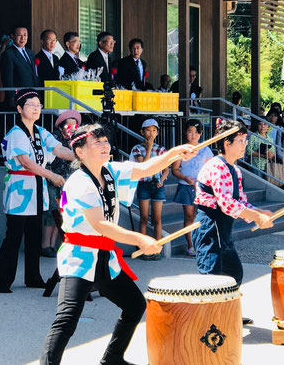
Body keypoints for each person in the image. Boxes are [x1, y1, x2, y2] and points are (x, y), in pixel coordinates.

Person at [40, 123, 196, 365]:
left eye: (105, 141)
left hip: (105, 255)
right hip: (80, 256)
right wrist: (139, 239)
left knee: (134, 305)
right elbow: (100, 225)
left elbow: (145, 168)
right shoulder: (80, 182)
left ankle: (112, 358)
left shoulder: (110, 171)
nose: (105, 146)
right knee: (67, 319)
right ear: (80, 151)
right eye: (97, 143)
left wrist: (175, 153)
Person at [192, 118, 273, 325]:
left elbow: (240, 202)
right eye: (241, 141)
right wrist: (257, 217)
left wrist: (260, 212)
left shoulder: (234, 169)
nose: (245, 145)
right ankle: (208, 325)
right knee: (211, 278)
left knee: (234, 273)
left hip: (222, 229)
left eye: (246, 141)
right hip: (209, 227)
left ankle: (228, 316)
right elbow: (227, 204)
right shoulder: (217, 166)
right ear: (226, 143)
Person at [0, 89, 74, 293]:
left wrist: (81, 156)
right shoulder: (16, 133)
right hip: (19, 187)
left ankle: (33, 276)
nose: (37, 108)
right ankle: (2, 281)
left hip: (37, 187)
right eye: (31, 105)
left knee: (34, 234)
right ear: (20, 108)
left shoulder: (41, 131)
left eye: (39, 105)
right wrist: (51, 175)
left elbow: (58, 149)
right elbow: (26, 162)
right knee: (14, 235)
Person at [42, 110, 82, 258]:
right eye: (68, 125)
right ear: (61, 126)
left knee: (61, 213)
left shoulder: (75, 140)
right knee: (51, 212)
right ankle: (46, 245)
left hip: (67, 181)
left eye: (75, 125)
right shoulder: (54, 138)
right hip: (52, 179)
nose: (72, 128)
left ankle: (53, 245)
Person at [172, 119, 213, 256]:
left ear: (201, 133)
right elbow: (175, 169)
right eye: (190, 131)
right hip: (186, 186)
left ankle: (202, 244)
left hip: (202, 187)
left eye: (196, 132)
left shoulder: (206, 149)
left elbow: (211, 168)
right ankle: (191, 246)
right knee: (189, 216)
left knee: (202, 216)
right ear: (186, 133)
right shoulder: (181, 150)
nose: (193, 135)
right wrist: (184, 178)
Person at [129, 119, 167, 260]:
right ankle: (143, 249)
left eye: (153, 130)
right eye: (148, 130)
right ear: (142, 131)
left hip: (157, 185)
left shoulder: (162, 149)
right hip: (143, 184)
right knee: (144, 217)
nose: (151, 133)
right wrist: (150, 148)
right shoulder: (137, 148)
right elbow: (143, 166)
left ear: (157, 132)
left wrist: (162, 180)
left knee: (157, 219)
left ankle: (157, 249)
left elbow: (166, 170)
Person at [0, 26, 40, 107]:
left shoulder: (30, 53)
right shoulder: (8, 54)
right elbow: (7, 78)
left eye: (25, 35)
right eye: (19, 35)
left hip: (32, 94)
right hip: (18, 95)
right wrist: (11, 96)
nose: (22, 38)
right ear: (12, 36)